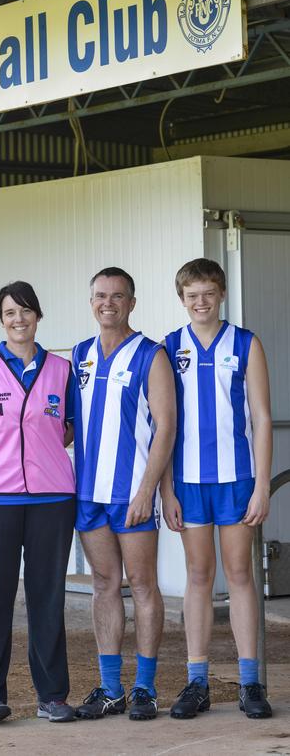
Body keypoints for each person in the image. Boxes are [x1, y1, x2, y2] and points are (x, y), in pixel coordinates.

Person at [0, 281, 77, 726]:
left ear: (37, 316)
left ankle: (52, 696)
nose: (18, 319)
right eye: (9, 312)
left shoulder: (61, 371)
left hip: (52, 499)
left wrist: (44, 451)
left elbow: (69, 426)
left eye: (25, 311)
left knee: (48, 596)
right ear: (1, 320)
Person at [162, 258, 273, 720]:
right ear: (182, 299)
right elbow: (162, 426)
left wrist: (262, 484)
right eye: (192, 296)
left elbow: (263, 417)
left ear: (221, 293)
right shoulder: (169, 347)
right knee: (199, 578)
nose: (201, 302)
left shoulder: (245, 343)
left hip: (236, 479)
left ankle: (250, 684)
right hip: (188, 480)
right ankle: (197, 681)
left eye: (208, 293)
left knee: (241, 575)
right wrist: (166, 489)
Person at [72, 267, 176, 721]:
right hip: (87, 494)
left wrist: (147, 490)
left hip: (130, 492)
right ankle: (111, 688)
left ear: (132, 302)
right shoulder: (79, 355)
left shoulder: (151, 355)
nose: (107, 303)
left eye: (117, 296)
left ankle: (146, 689)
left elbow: (166, 427)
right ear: (91, 301)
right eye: (100, 295)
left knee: (144, 586)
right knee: (102, 584)